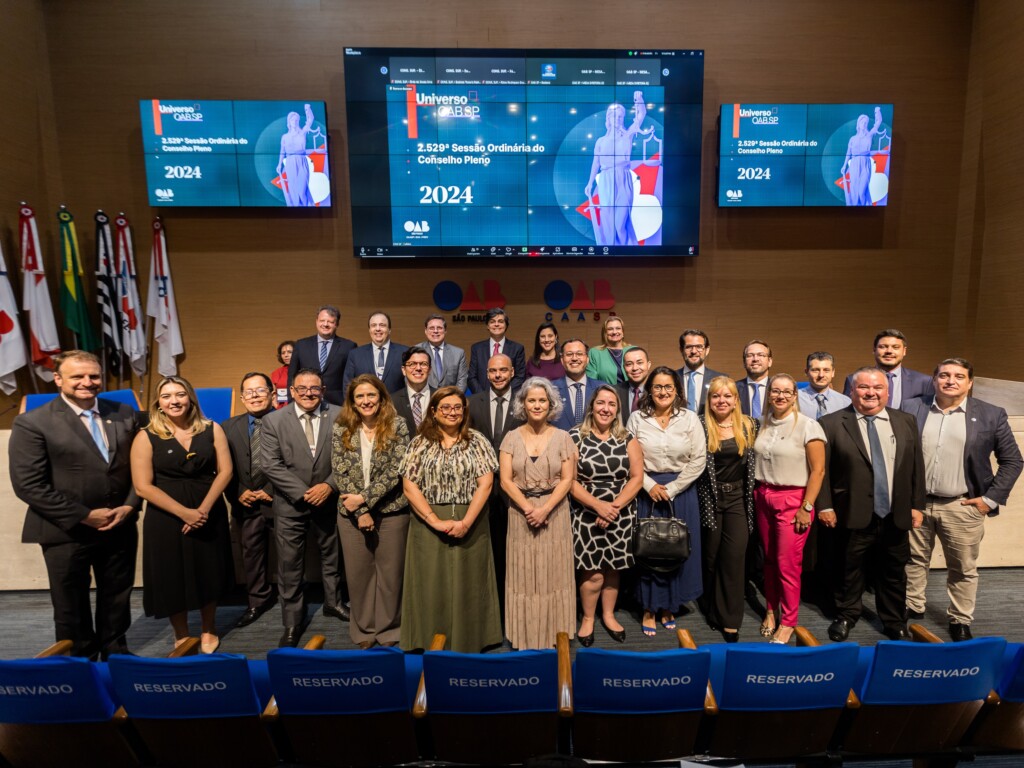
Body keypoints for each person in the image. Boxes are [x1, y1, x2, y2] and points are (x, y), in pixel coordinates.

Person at [9, 351, 140, 659]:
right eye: (77, 376)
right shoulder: (32, 423)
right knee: (70, 604)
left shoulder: (124, 413)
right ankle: (79, 662)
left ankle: (115, 654)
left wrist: (131, 506)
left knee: (117, 597)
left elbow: (141, 468)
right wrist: (84, 516)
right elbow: (28, 485)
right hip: (64, 530)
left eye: (93, 376)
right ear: (58, 379)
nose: (87, 382)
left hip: (119, 525)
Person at [901, 358, 1022, 641]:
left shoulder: (991, 414)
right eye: (944, 375)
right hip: (916, 504)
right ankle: (913, 606)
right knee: (913, 560)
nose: (950, 380)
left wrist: (989, 500)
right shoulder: (912, 407)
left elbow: (1012, 461)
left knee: (963, 568)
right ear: (934, 379)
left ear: (969, 382)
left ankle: (959, 619)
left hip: (962, 506)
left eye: (958, 376)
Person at [819, 368, 926, 642]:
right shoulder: (831, 423)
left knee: (893, 571)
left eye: (877, 388)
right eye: (863, 388)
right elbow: (822, 472)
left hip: (895, 512)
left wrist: (917, 504)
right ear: (852, 392)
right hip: (851, 511)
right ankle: (846, 616)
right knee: (849, 569)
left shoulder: (905, 421)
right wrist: (825, 505)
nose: (870, 393)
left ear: (886, 392)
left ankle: (894, 621)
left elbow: (915, 467)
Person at [131, 376, 234, 654]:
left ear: (190, 399)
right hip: (166, 516)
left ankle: (209, 629)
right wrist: (184, 513)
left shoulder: (212, 429)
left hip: (208, 510)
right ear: (158, 403)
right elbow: (143, 486)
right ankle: (181, 633)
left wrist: (203, 510)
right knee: (171, 574)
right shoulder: (145, 435)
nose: (174, 401)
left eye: (180, 395)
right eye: (166, 396)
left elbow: (225, 471)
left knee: (208, 570)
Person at [399, 387, 502, 652]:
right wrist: (434, 520)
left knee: (470, 582)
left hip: (472, 519)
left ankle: (472, 639)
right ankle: (428, 639)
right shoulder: (420, 442)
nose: (452, 412)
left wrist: (466, 521)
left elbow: (486, 484)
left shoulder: (477, 441)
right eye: (445, 407)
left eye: (457, 407)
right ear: (433, 411)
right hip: (428, 522)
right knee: (431, 583)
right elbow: (410, 486)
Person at [262, 368, 347, 648]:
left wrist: (329, 486)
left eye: (314, 389)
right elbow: (270, 464)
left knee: (332, 557)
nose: (309, 393)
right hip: (290, 504)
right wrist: (304, 492)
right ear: (292, 391)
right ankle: (292, 621)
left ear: (322, 390)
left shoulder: (340, 415)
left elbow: (349, 455)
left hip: (329, 500)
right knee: (289, 566)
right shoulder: (273, 420)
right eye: (302, 389)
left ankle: (333, 603)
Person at [627, 367, 707, 636]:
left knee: (674, 549)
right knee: (648, 549)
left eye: (668, 387)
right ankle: (649, 607)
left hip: (680, 492)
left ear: (677, 391)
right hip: (645, 490)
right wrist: (649, 485)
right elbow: (628, 456)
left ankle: (669, 605)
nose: (663, 392)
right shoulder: (636, 418)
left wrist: (672, 488)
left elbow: (699, 460)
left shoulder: (690, 418)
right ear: (650, 390)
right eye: (658, 387)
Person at [332, 375, 411, 648]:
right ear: (352, 402)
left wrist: (364, 500)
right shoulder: (341, 427)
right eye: (360, 397)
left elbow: (397, 470)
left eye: (371, 396)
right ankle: (364, 631)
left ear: (381, 398)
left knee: (390, 576)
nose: (366, 401)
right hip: (350, 516)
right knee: (359, 575)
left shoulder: (398, 425)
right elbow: (339, 472)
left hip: (391, 511)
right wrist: (359, 511)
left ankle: (389, 630)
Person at [499, 377, 577, 649]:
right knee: (523, 574)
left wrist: (543, 509)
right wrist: (529, 508)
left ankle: (555, 633)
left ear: (551, 404)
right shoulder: (510, 437)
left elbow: (567, 480)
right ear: (523, 404)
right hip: (520, 515)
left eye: (542, 400)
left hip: (554, 513)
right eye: (531, 400)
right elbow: (506, 480)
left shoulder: (563, 437)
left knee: (553, 573)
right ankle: (524, 635)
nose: (537, 405)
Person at [753, 374, 826, 645]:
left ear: (795, 395)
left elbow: (818, 470)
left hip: (793, 500)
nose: (780, 396)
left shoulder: (809, 426)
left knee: (788, 565)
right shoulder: (760, 424)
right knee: (769, 560)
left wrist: (807, 507)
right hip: (763, 496)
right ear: (768, 394)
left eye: (787, 391)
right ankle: (771, 611)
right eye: (775, 391)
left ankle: (788, 622)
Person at [569, 385, 642, 646]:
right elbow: (570, 481)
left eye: (611, 404)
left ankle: (609, 615)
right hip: (585, 511)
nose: (605, 408)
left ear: (618, 410)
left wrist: (613, 507)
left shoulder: (627, 438)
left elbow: (636, 478)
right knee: (592, 571)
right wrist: (598, 506)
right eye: (601, 403)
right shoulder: (575, 436)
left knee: (613, 568)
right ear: (592, 406)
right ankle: (588, 618)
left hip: (621, 513)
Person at [696, 377, 757, 642]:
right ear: (709, 401)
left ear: (735, 400)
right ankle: (710, 608)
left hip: (738, 501)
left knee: (733, 558)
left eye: (727, 396)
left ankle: (730, 620)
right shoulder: (699, 424)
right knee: (710, 558)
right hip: (707, 498)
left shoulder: (750, 424)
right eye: (716, 396)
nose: (721, 401)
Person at [468, 353, 525, 611]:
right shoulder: (472, 403)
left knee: (514, 549)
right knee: (485, 546)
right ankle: (488, 602)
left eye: (503, 370)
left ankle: (511, 602)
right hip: (481, 488)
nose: (498, 375)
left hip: (516, 487)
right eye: (493, 371)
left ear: (512, 372)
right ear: (486, 374)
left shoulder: (525, 402)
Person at [222, 372, 277, 628]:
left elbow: (297, 461)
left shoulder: (286, 421)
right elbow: (222, 467)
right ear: (242, 397)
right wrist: (238, 490)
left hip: (280, 501)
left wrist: (272, 490)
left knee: (289, 556)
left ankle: (290, 599)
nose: (255, 396)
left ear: (272, 393)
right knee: (251, 554)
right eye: (249, 392)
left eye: (260, 390)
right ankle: (258, 600)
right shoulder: (227, 427)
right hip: (245, 502)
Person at [584, 91, 653, 246]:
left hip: (623, 179)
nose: (618, 119)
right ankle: (608, 253)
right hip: (606, 180)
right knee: (608, 222)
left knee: (620, 224)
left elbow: (641, 114)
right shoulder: (600, 141)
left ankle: (626, 251)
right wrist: (590, 183)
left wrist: (639, 99)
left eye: (621, 116)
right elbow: (596, 162)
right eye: (615, 115)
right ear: (608, 118)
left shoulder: (628, 134)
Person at [842, 329, 933, 408]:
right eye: (883, 347)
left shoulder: (924, 381)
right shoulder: (853, 379)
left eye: (895, 347)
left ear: (904, 351)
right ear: (874, 350)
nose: (889, 351)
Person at [288, 305, 356, 406]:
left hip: (337, 404)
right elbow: (291, 377)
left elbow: (351, 379)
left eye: (330, 322)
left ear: (337, 324)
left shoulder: (349, 346)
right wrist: (291, 403)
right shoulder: (301, 345)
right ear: (316, 321)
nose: (325, 324)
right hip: (306, 401)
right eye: (322, 320)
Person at [343, 311, 409, 394]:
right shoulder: (355, 355)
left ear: (389, 330)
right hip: (365, 405)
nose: (378, 329)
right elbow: (347, 386)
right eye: (373, 325)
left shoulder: (404, 352)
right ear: (369, 330)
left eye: (382, 325)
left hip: (395, 406)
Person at [468, 308, 527, 394]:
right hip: (482, 399)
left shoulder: (517, 348)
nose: (496, 324)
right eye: (492, 322)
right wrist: (483, 396)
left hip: (509, 399)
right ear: (487, 326)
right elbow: (472, 377)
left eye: (500, 321)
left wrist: (505, 394)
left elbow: (520, 377)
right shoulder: (477, 349)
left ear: (506, 325)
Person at [553, 339, 604, 431]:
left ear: (587, 359)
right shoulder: (550, 389)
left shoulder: (602, 389)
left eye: (579, 354)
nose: (574, 358)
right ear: (562, 360)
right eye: (569, 354)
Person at [277, 103, 321, 207]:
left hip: (301, 162)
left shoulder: (302, 132)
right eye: (293, 120)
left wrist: (308, 109)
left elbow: (311, 119)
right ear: (289, 121)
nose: (295, 122)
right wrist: (279, 164)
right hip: (290, 163)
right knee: (294, 192)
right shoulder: (285, 137)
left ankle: (306, 210)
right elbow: (282, 151)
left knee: (302, 191)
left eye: (297, 120)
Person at [676, 329, 728, 414]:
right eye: (688, 347)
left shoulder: (721, 379)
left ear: (707, 350)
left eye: (699, 347)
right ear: (681, 350)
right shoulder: (672, 378)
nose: (694, 351)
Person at [839, 107, 883, 206]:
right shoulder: (852, 139)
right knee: (854, 193)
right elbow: (848, 153)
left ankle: (864, 211)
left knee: (861, 192)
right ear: (858, 124)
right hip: (854, 165)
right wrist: (844, 165)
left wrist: (877, 111)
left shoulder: (870, 135)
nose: (864, 124)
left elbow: (879, 121)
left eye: (866, 123)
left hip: (865, 164)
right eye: (862, 122)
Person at [418, 314, 468, 391]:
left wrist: (454, 399)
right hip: (424, 399)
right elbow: (410, 377)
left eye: (439, 328)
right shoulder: (416, 351)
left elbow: (462, 381)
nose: (435, 331)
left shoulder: (458, 353)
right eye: (431, 328)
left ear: (445, 331)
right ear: (425, 331)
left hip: (450, 400)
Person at [391, 347, 432, 436]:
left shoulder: (441, 398)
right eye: (412, 364)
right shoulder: (392, 401)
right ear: (403, 370)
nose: (418, 368)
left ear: (430, 370)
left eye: (423, 364)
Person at [799, 352, 851, 419]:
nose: (821, 375)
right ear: (806, 372)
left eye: (826, 370)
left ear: (833, 373)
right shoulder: (794, 400)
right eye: (815, 370)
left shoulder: (845, 402)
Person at [585, 316, 634, 385]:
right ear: (605, 333)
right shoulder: (594, 353)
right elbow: (591, 382)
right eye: (610, 329)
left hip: (632, 394)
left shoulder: (633, 350)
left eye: (618, 328)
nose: (614, 332)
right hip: (605, 394)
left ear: (622, 332)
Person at [737, 340, 773, 419]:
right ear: (744, 362)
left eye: (761, 355)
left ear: (769, 361)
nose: (755, 359)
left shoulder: (778, 388)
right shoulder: (734, 389)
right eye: (750, 355)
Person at [616, 345, 652, 418]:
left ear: (648, 365)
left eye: (639, 363)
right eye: (629, 364)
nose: (635, 368)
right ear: (624, 368)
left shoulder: (658, 391)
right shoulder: (615, 392)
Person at [270, 340, 295, 408]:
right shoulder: (276, 373)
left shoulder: (304, 371)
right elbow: (273, 393)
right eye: (283, 353)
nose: (286, 355)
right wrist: (276, 405)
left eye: (289, 352)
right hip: (282, 409)